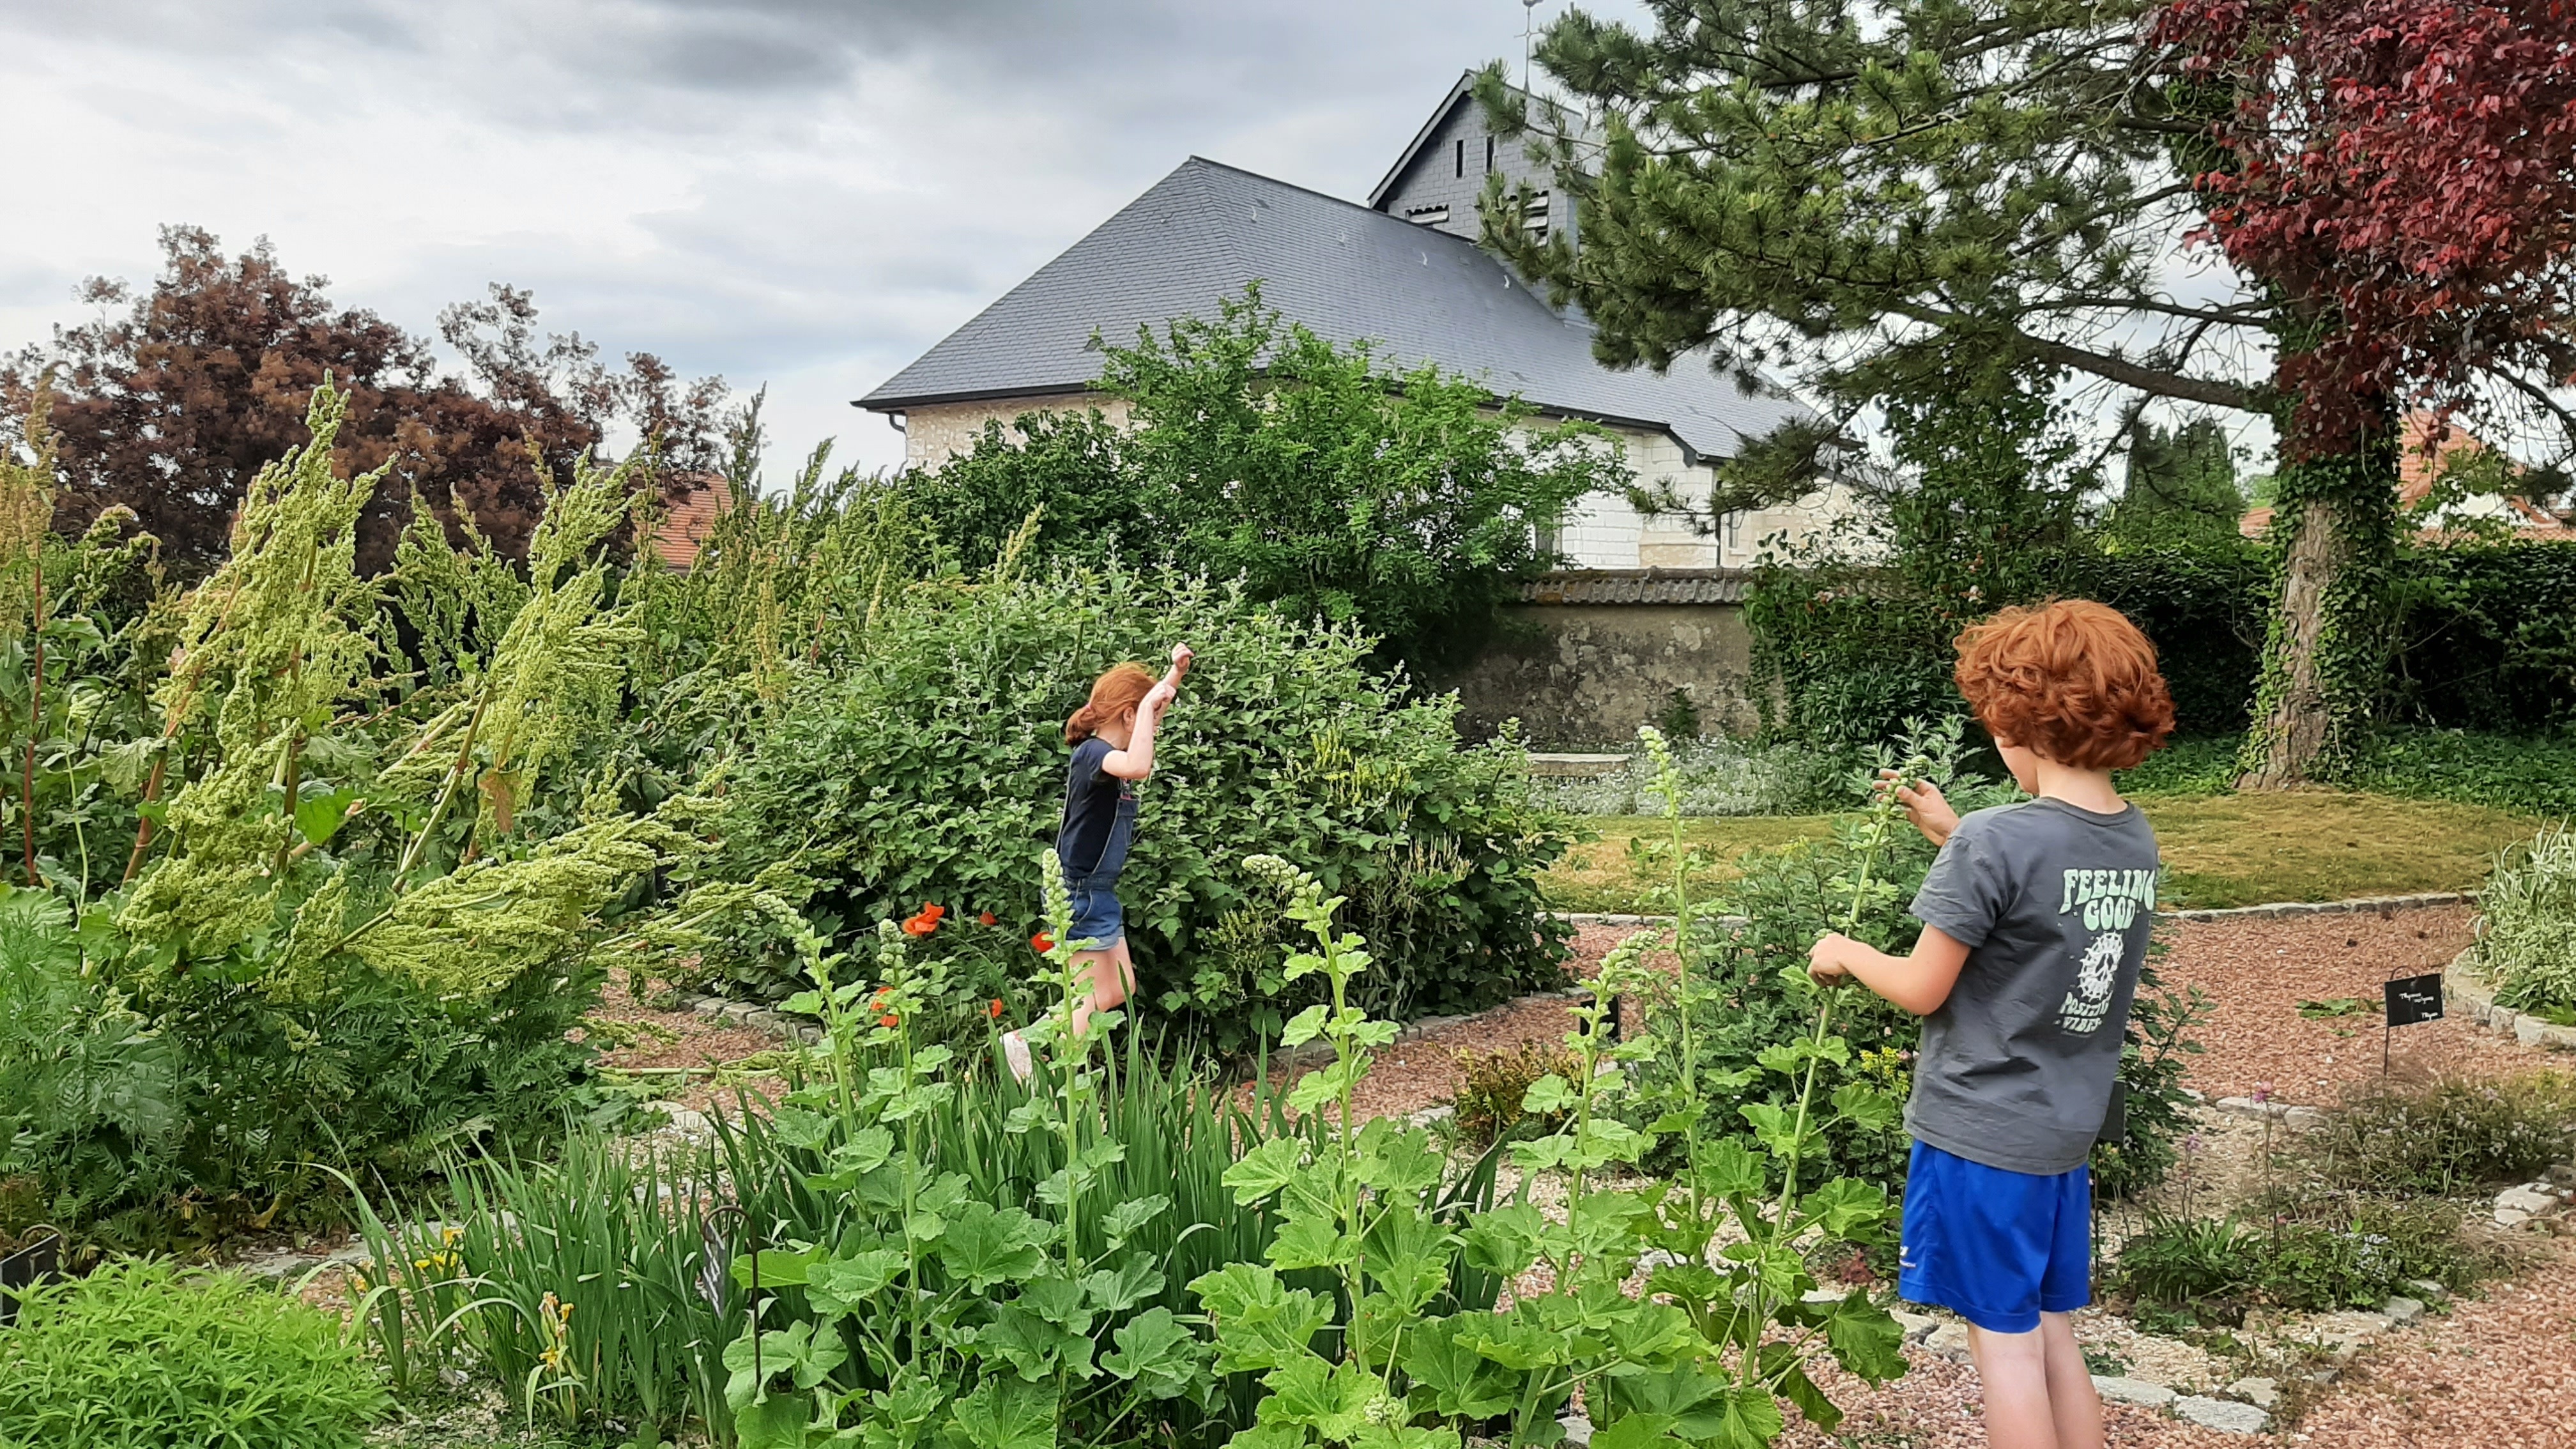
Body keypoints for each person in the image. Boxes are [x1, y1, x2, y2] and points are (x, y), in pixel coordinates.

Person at [1807, 600, 2175, 1449]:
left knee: (2003, 1349)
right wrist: (1952, 834)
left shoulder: (1996, 842)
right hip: (2061, 1136)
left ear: (2016, 723)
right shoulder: (2132, 838)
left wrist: (1845, 951)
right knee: (2048, 1332)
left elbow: (1922, 987)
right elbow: (2043, 896)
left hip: (1981, 1133)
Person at [1003, 643, 1193, 1082]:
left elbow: (1147, 725)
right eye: (1146, 718)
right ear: (1128, 715)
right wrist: (1149, 703)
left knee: (1120, 987)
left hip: (1097, 893)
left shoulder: (1109, 754)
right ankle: (1049, 1069)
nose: (1153, 727)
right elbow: (1140, 765)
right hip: (1078, 893)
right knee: (1087, 996)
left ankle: (1033, 1044)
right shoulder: (1093, 754)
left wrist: (1174, 675)